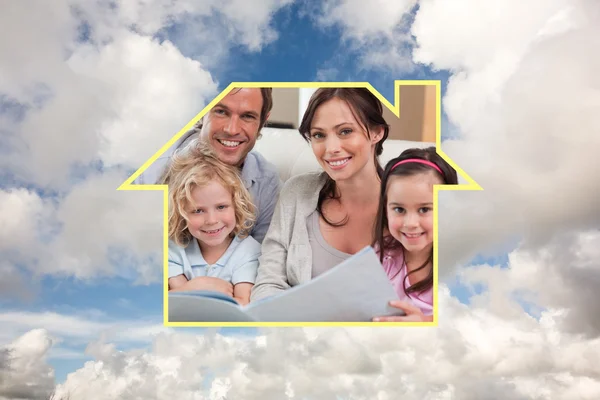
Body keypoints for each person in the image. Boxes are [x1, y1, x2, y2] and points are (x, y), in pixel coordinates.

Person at [250, 88, 389, 301]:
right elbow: (269, 283)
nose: (330, 148)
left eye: (345, 131)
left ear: (377, 132)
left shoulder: (412, 202)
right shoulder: (296, 193)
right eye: (319, 135)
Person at [136, 88, 282, 244]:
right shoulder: (150, 163)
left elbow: (263, 259)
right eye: (221, 112)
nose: (231, 130)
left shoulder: (268, 184)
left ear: (262, 121)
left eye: (247, 116)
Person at [164, 138, 261, 306]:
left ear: (237, 207)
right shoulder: (174, 249)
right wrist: (199, 286)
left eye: (221, 207)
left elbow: (244, 304)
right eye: (198, 210)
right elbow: (169, 304)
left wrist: (188, 292)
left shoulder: (248, 251)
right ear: (181, 213)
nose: (212, 220)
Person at [371, 147, 458, 322]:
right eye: (399, 209)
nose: (410, 224)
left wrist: (424, 323)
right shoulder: (379, 256)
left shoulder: (460, 264)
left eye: (424, 209)